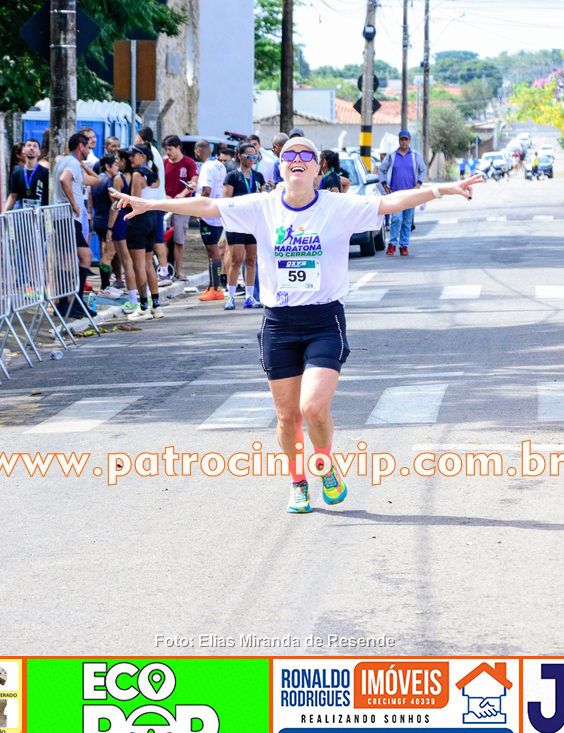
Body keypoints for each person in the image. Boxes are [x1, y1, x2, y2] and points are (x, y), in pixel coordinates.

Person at [110, 136, 483, 513]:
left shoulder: (338, 206)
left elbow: (391, 202)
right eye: (290, 154)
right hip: (279, 324)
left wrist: (442, 189)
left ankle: (325, 462)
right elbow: (209, 205)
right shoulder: (263, 206)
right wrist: (153, 203)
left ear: (318, 167)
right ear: (281, 166)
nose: (298, 158)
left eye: (307, 154)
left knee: (313, 408)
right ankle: (298, 481)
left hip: (324, 320)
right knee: (287, 417)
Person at [52, 132, 99, 318]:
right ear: (81, 146)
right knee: (83, 256)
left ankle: (69, 303)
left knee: (71, 258)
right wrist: (73, 204)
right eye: (87, 147)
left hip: (65, 218)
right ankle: (71, 302)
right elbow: (64, 179)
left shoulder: (67, 161)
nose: (89, 150)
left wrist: (81, 164)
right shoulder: (71, 162)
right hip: (69, 217)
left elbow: (95, 179)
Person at [222, 141, 265, 309]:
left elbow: (262, 199)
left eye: (255, 156)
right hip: (237, 223)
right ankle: (231, 297)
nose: (252, 159)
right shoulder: (232, 176)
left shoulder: (258, 176)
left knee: (251, 260)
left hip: (253, 224)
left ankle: (250, 297)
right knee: (236, 260)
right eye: (249, 156)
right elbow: (226, 202)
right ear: (239, 156)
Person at [123, 144, 164, 320]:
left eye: (133, 155)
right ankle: (156, 306)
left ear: (143, 156)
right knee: (148, 264)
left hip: (139, 220)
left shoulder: (137, 175)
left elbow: (135, 201)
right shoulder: (154, 174)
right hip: (152, 218)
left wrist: (121, 200)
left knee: (138, 265)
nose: (130, 158)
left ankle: (143, 307)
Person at [378, 130, 426, 256]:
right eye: (402, 139)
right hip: (395, 194)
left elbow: (423, 170)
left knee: (407, 221)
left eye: (406, 139)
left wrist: (418, 184)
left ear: (409, 141)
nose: (404, 142)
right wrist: (384, 185)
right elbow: (381, 169)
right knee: (396, 219)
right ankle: (392, 244)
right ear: (399, 141)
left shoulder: (415, 155)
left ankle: (404, 245)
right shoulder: (392, 156)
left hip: (411, 194)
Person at [136, 126, 171, 286]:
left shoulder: (148, 152)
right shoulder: (154, 151)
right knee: (157, 239)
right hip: (157, 201)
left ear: (140, 138)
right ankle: (162, 271)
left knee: (156, 240)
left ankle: (163, 272)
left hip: (153, 202)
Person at [194, 139, 226, 301]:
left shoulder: (206, 167)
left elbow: (206, 190)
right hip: (218, 212)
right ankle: (212, 285)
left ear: (198, 151)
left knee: (212, 251)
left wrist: (198, 208)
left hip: (208, 214)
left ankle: (216, 288)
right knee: (211, 251)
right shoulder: (220, 165)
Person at [163, 134, 198, 281]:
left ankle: (178, 271)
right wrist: (165, 196)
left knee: (179, 239)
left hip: (182, 206)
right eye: (166, 149)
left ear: (178, 147)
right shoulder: (163, 163)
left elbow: (193, 182)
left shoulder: (189, 163)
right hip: (165, 205)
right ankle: (163, 271)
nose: (168, 152)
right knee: (163, 239)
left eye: (170, 149)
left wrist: (182, 194)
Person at [109, 149, 140, 313]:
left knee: (126, 262)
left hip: (121, 220)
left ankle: (133, 299)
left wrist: (109, 227)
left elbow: (115, 205)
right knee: (138, 262)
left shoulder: (118, 179)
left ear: (123, 161)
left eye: (117, 160)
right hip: (136, 219)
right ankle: (144, 296)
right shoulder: (137, 176)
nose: (116, 163)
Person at [91, 154, 119, 293]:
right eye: (115, 165)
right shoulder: (109, 181)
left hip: (98, 219)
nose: (118, 168)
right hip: (107, 221)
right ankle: (105, 287)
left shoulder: (96, 180)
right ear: (107, 166)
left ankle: (107, 285)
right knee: (108, 255)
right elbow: (114, 205)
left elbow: (90, 200)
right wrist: (111, 227)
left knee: (105, 254)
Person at [4, 138, 48, 211]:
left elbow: (49, 195)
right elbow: (13, 195)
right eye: (29, 145)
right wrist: (4, 212)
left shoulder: (45, 172)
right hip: (23, 214)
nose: (31, 148)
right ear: (24, 150)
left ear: (39, 152)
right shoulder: (17, 171)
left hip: (40, 214)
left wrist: (46, 212)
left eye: (34, 146)